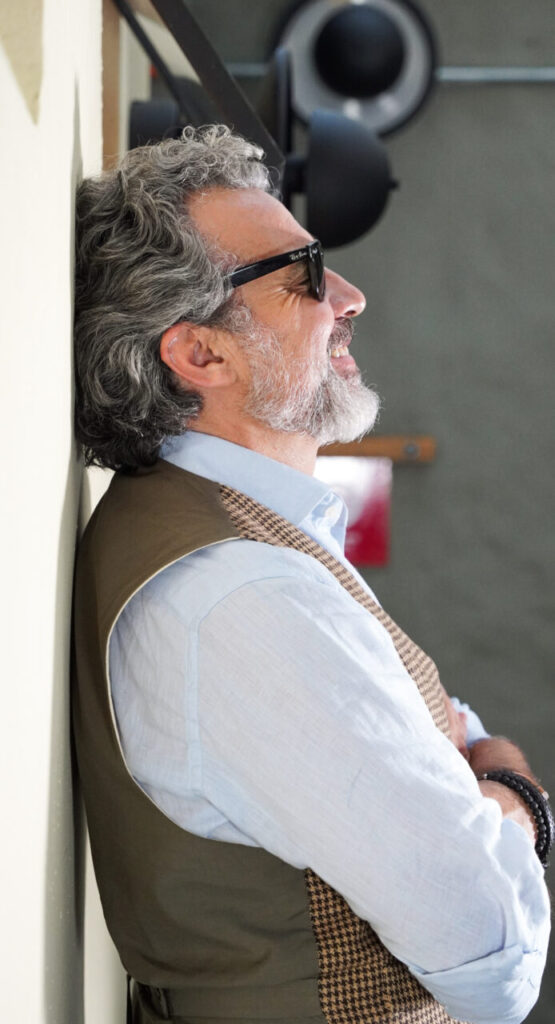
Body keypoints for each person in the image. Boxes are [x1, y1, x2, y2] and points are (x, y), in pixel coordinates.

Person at [72, 125, 550, 1024]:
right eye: (303, 274)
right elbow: (494, 961)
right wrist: (515, 796)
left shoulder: (243, 540)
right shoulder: (239, 594)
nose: (350, 297)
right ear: (201, 355)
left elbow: (437, 726)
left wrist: (475, 784)